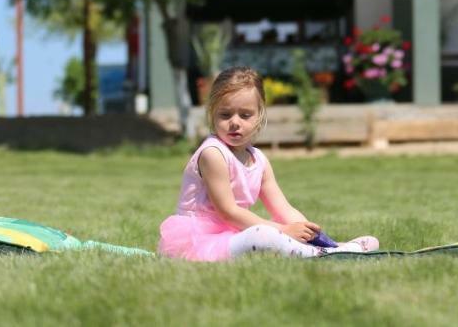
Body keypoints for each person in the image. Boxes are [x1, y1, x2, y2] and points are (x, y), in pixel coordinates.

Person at [158, 65, 379, 261]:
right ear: (212, 113)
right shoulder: (213, 154)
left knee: (271, 233)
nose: (234, 122)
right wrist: (284, 230)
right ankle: (327, 255)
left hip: (233, 234)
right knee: (263, 235)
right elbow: (228, 212)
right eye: (225, 115)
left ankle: (330, 248)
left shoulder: (259, 160)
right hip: (201, 241)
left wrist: (313, 234)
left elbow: (283, 208)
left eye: (245, 115)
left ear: (259, 115)